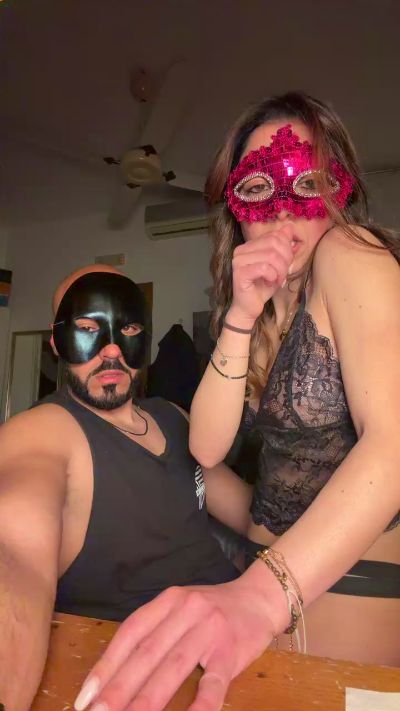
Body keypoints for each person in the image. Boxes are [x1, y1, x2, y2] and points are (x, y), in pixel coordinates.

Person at [75, 92, 400, 711]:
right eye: (258, 189)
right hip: (260, 596)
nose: (283, 211)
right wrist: (243, 313)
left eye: (307, 182)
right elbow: (207, 447)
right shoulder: (265, 308)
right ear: (236, 208)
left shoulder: (351, 253)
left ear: (340, 189)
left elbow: (395, 444)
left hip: (337, 600)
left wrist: (258, 595)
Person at [0, 263, 252, 711]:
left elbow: (252, 515)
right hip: (146, 679)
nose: (112, 349)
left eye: (129, 327)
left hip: (244, 637)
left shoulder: (175, 417)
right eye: (86, 328)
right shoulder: (40, 433)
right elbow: (14, 559)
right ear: (57, 343)